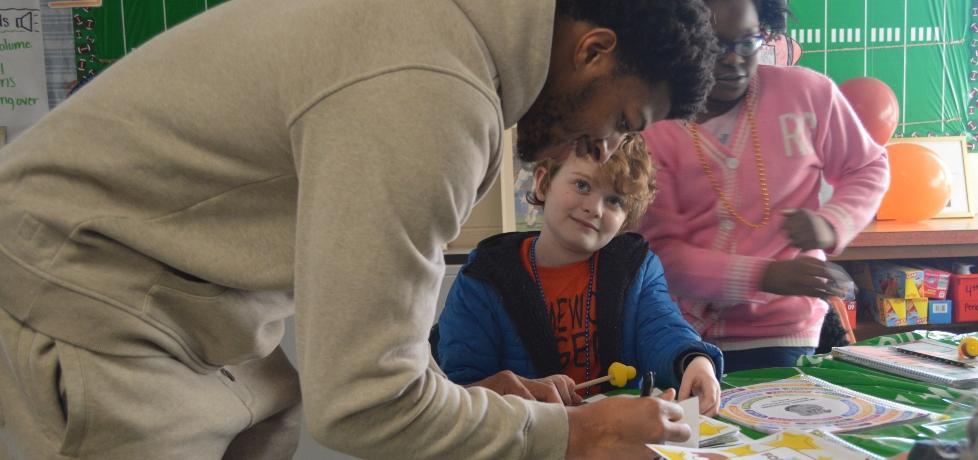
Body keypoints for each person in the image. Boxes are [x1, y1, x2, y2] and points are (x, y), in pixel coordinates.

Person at [0, 0, 721, 458]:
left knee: (274, 416)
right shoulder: (430, 89)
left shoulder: (454, 44)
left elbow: (374, 348)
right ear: (593, 50)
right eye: (620, 123)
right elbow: (363, 406)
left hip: (194, 308)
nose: (595, 149)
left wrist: (457, 394)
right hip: (89, 289)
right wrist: (573, 436)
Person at [637, 0, 889, 373]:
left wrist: (833, 222)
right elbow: (663, 256)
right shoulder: (655, 124)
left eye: (747, 42)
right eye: (714, 45)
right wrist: (765, 275)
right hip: (680, 333)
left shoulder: (807, 93)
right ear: (681, 41)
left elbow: (868, 164)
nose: (734, 60)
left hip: (783, 330)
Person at [438, 135, 724, 415]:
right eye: (582, 185)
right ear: (543, 183)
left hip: (617, 436)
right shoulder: (484, 278)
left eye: (614, 200)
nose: (594, 208)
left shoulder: (636, 266)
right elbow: (461, 394)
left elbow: (662, 328)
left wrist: (694, 360)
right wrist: (512, 393)